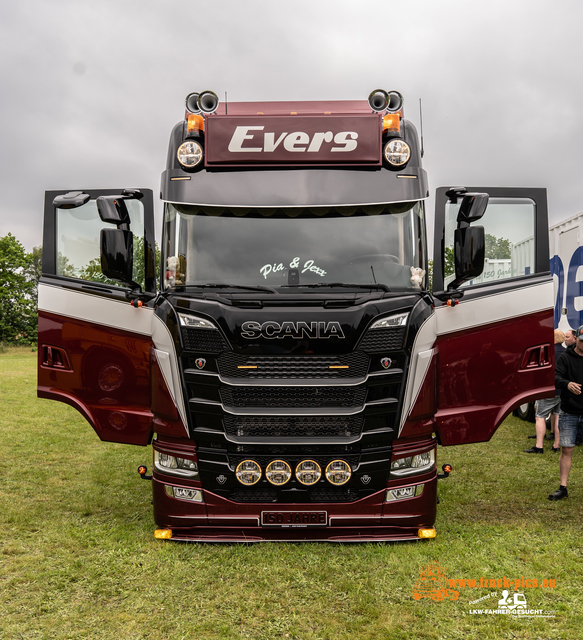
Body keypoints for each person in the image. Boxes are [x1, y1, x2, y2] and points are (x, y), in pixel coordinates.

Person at [550, 325, 583, 500]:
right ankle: (563, 487)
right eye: (582, 341)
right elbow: (555, 377)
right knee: (567, 449)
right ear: (576, 339)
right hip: (569, 411)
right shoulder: (565, 357)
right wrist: (567, 384)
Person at [524, 329, 564, 454]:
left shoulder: (548, 353)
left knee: (540, 416)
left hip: (549, 389)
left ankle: (539, 446)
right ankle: (556, 445)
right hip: (563, 390)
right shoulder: (567, 352)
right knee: (557, 416)